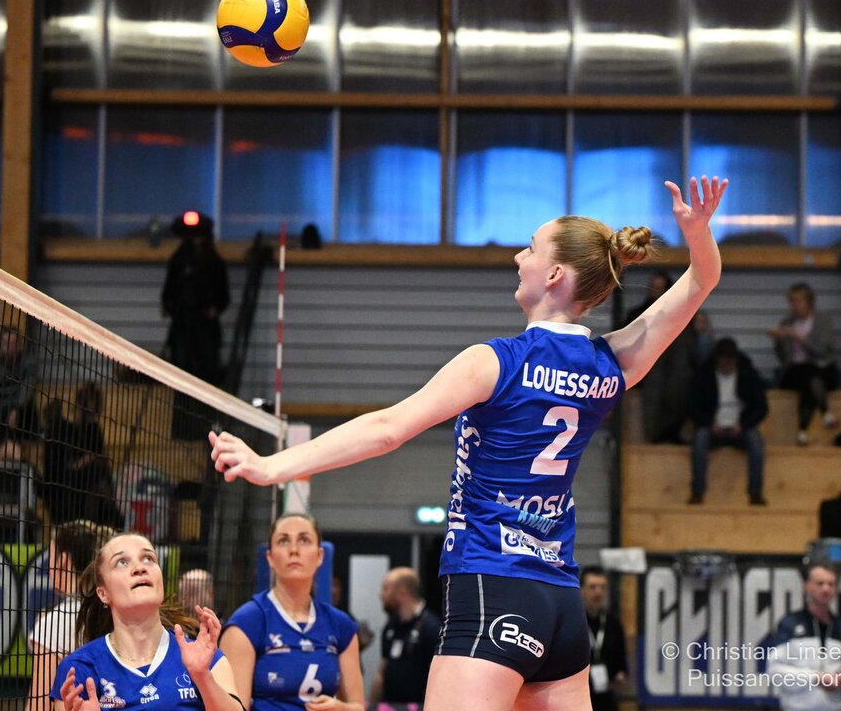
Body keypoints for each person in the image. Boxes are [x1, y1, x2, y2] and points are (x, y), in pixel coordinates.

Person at [209, 176, 728, 710]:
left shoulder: (498, 361)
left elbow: (387, 429)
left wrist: (272, 465)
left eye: (530, 247)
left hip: (491, 586)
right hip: (560, 606)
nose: (518, 257)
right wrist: (697, 233)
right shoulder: (611, 364)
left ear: (554, 274)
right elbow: (701, 281)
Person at [50, 531, 243, 711]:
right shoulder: (79, 669)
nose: (139, 568)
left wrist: (203, 677)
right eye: (121, 562)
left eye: (149, 559)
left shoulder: (204, 658)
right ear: (103, 593)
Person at [219, 514, 364, 711]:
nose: (294, 550)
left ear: (320, 556)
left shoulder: (340, 625)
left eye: (304, 540)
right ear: (270, 557)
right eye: (283, 541)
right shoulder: (247, 622)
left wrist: (340, 709)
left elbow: (357, 706)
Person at [27, 520, 118, 711]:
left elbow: (39, 705)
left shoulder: (53, 622)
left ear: (63, 561)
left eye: (51, 556)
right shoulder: (117, 611)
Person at [688, 337, 769, 506]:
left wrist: (743, 424)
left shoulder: (748, 375)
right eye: (723, 360)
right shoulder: (704, 376)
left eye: (730, 361)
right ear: (717, 360)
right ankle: (697, 492)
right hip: (713, 426)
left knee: (756, 443)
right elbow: (692, 407)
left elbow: (761, 407)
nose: (726, 365)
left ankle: (755, 492)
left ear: (736, 360)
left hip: (740, 426)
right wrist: (710, 423)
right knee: (700, 440)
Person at [621, 270, 696, 443]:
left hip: (674, 366)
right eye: (652, 288)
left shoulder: (682, 314)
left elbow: (688, 349)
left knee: (679, 377)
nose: (654, 293)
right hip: (646, 366)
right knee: (655, 380)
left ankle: (671, 431)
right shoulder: (637, 314)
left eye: (659, 289)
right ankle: (655, 434)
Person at [766, 561, 841, 711]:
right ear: (806, 587)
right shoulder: (789, 624)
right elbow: (775, 670)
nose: (826, 589)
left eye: (831, 584)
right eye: (820, 583)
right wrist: (815, 677)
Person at [161, 213, 229, 386]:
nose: (194, 241)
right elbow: (169, 289)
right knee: (181, 372)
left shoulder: (213, 262)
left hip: (205, 328)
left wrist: (214, 309)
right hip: (182, 325)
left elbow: (223, 295)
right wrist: (169, 305)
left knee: (207, 373)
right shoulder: (179, 260)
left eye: (198, 236)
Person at [43, 383, 123, 529]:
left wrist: (89, 460)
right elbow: (61, 466)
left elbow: (100, 460)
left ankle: (107, 521)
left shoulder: (93, 430)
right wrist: (84, 461)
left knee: (100, 479)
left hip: (88, 486)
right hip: (66, 487)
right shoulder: (62, 428)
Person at [770, 282, 841, 444]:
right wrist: (778, 342)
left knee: (809, 380)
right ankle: (826, 414)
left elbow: (822, 350)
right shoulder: (787, 323)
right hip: (795, 370)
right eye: (792, 302)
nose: (795, 306)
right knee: (808, 375)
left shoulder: (822, 321)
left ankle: (802, 431)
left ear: (809, 302)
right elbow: (783, 358)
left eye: (799, 301)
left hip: (822, 368)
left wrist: (799, 338)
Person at [370, 567, 440, 705]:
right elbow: (382, 672)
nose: (381, 595)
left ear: (402, 593)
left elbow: (439, 679)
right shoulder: (390, 626)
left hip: (418, 706)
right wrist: (371, 706)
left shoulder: (431, 627)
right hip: (389, 705)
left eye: (386, 589)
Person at [580, 567, 628, 711]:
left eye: (602, 587)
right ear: (581, 590)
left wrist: (620, 674)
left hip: (606, 697)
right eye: (592, 587)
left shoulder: (613, 624)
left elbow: (621, 659)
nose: (598, 592)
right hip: (578, 695)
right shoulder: (573, 622)